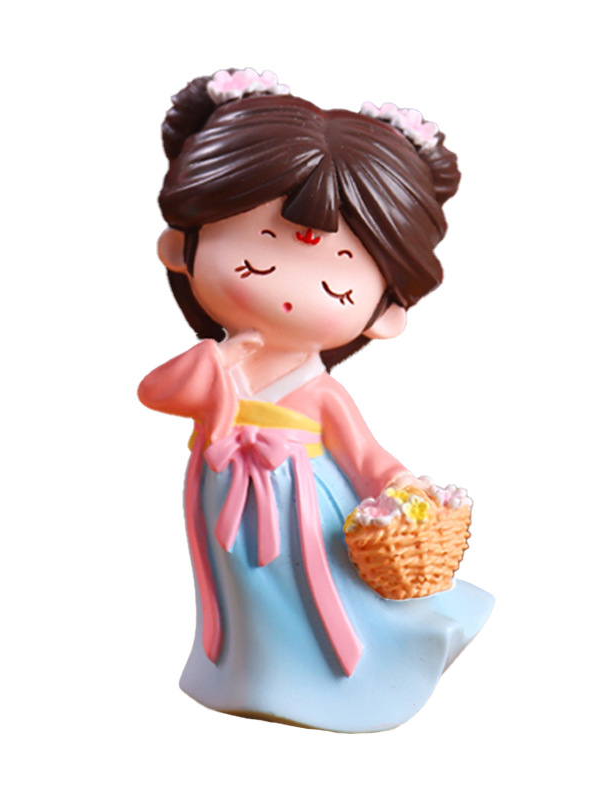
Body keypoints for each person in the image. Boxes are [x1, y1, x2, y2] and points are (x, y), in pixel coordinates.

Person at [138, 69, 493, 732]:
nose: (291, 286)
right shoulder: (218, 364)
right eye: (259, 253)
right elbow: (155, 392)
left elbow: (365, 455)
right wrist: (223, 359)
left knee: (311, 589)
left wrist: (400, 485)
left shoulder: (321, 390)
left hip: (306, 507)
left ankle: (322, 680)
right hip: (220, 494)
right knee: (238, 593)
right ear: (180, 248)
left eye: (339, 275)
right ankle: (242, 671)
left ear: (385, 312)